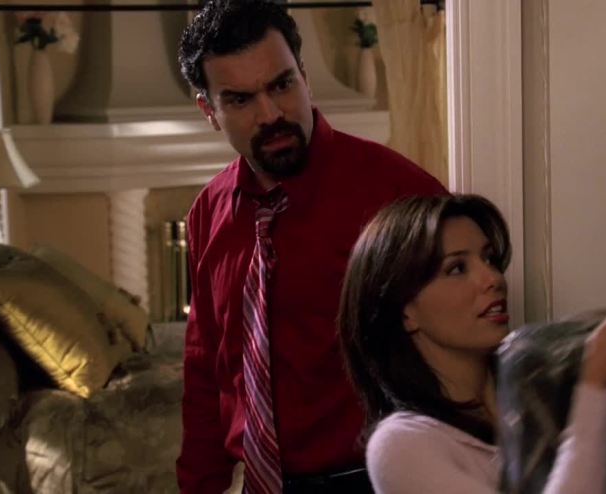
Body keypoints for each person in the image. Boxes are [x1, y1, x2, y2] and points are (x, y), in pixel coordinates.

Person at [175, 0, 447, 492]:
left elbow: (462, 348)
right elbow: (205, 373)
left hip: (376, 478)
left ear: (304, 76)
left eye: (282, 85)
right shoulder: (208, 214)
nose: (271, 114)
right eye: (240, 100)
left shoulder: (397, 193)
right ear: (209, 111)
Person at [338, 194, 606, 493]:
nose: (493, 278)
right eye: (457, 268)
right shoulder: (401, 446)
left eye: (489, 259)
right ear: (405, 312)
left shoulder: (541, 392)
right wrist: (598, 385)